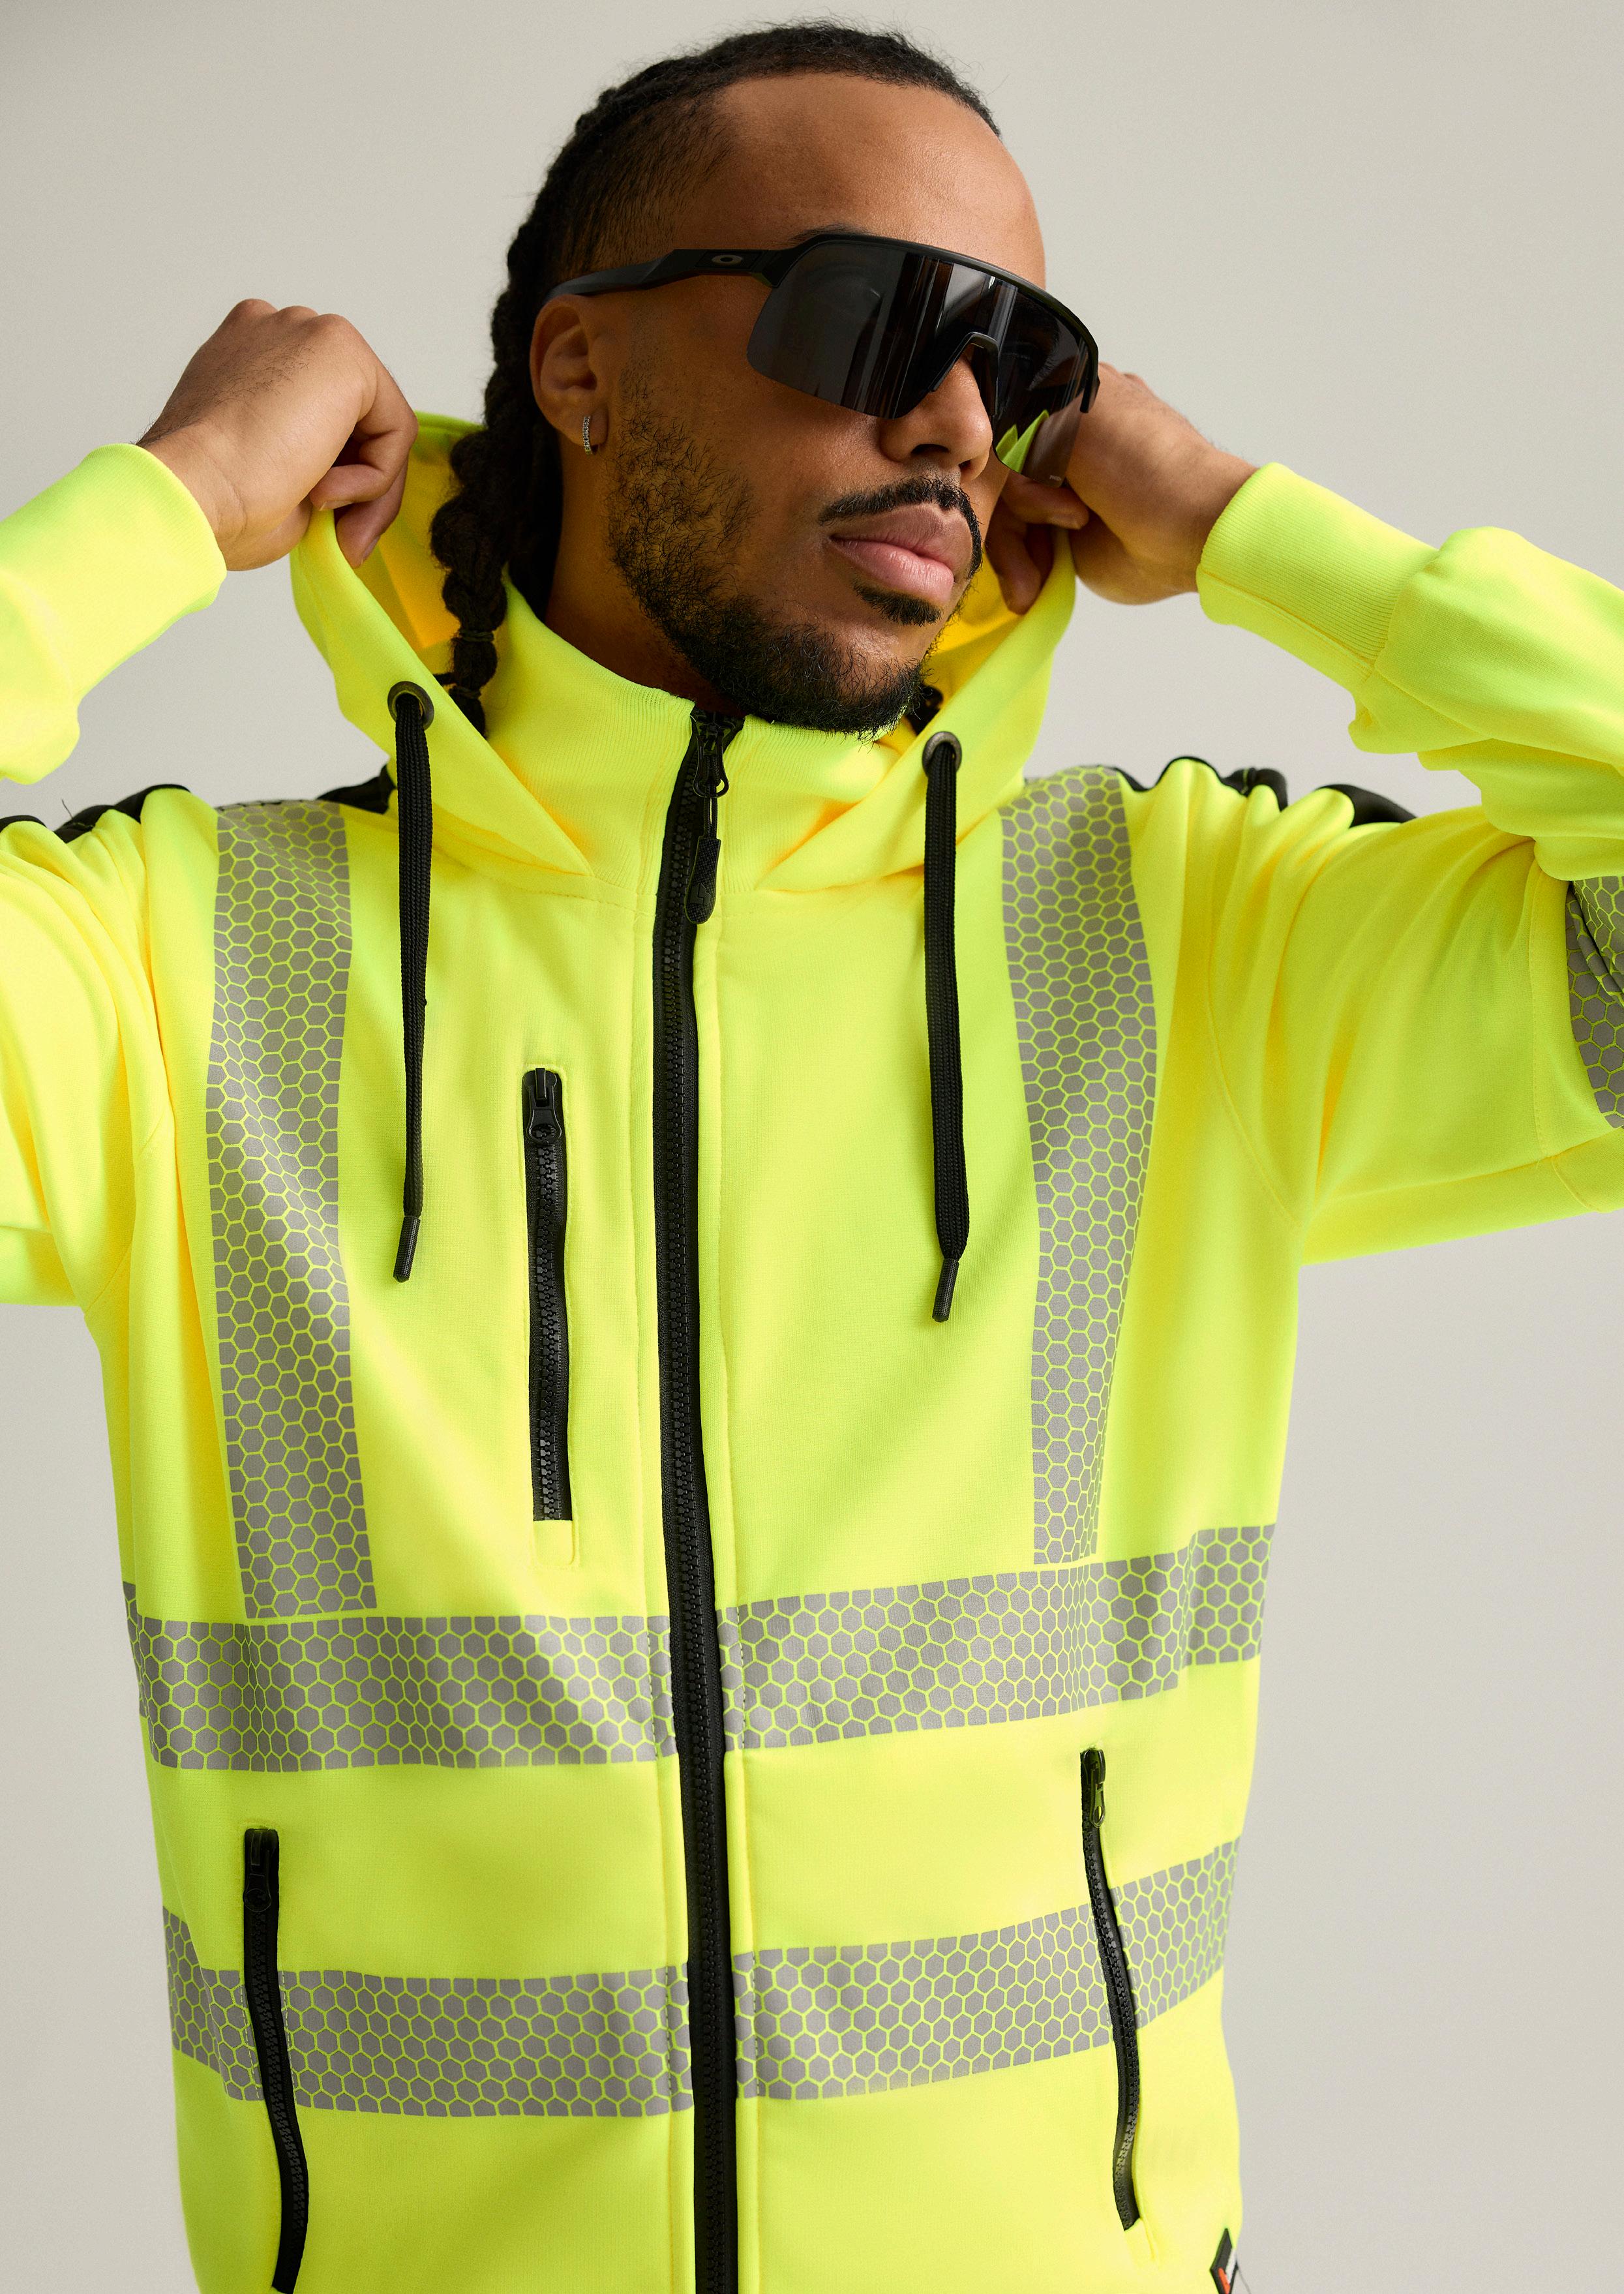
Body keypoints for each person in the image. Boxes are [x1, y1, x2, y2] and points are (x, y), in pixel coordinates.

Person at [3, 18, 1619, 2294]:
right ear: (579, 367)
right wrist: (163, 501)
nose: (956, 419)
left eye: (1021, 363)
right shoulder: (174, 971)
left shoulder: (1187, 938)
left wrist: (1251, 528)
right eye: (873, 318)